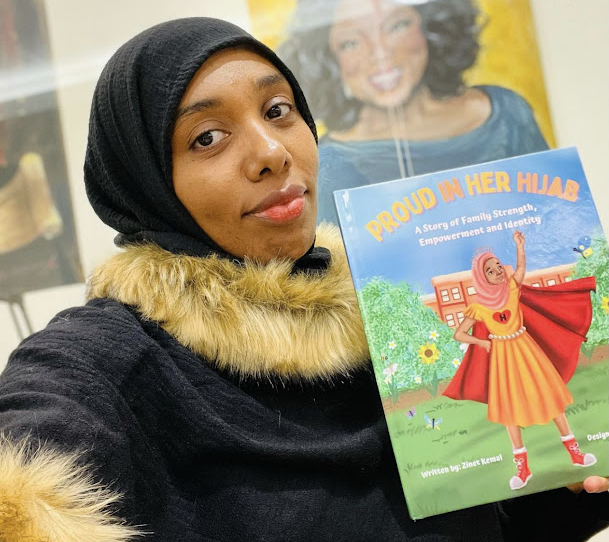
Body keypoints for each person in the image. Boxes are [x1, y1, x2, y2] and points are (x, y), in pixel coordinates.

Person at [0, 17, 606, 542]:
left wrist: (576, 481)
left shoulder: (384, 318)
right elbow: (28, 454)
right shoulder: (110, 358)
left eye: (278, 111)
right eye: (206, 137)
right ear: (145, 181)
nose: (271, 152)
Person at [277, 0, 550, 224]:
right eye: (351, 43)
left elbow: (557, 220)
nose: (380, 53)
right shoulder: (326, 166)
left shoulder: (506, 111)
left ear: (432, 29)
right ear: (330, 59)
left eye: (397, 26)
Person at [444, 231, 598, 492]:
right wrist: (481, 342)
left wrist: (519, 246)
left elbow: (521, 269)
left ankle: (575, 453)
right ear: (482, 278)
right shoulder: (478, 306)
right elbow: (459, 333)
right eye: (490, 271)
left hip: (526, 349)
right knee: (508, 409)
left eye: (497, 267)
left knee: (550, 396)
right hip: (503, 358)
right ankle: (523, 468)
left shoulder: (512, 288)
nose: (498, 272)